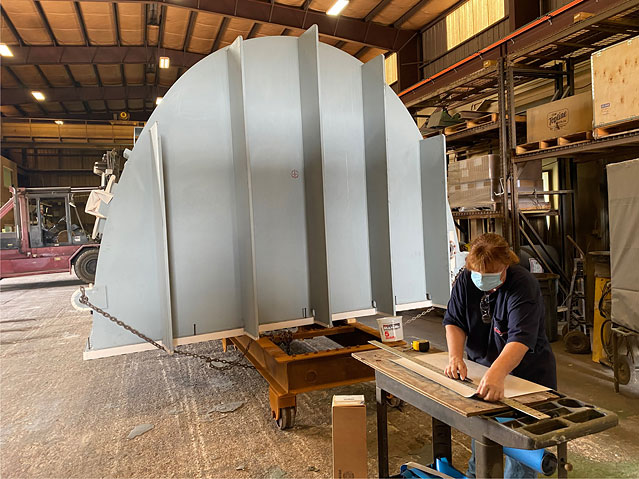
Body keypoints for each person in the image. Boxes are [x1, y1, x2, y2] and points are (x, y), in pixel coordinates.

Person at [442, 233, 557, 479]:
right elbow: (454, 321)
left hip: (526, 377)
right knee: (482, 444)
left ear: (506, 265)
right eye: (478, 274)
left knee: (520, 456)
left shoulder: (523, 285)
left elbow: (520, 338)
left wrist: (496, 373)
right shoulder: (465, 280)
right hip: (482, 375)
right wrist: (455, 357)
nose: (482, 280)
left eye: (491, 274)